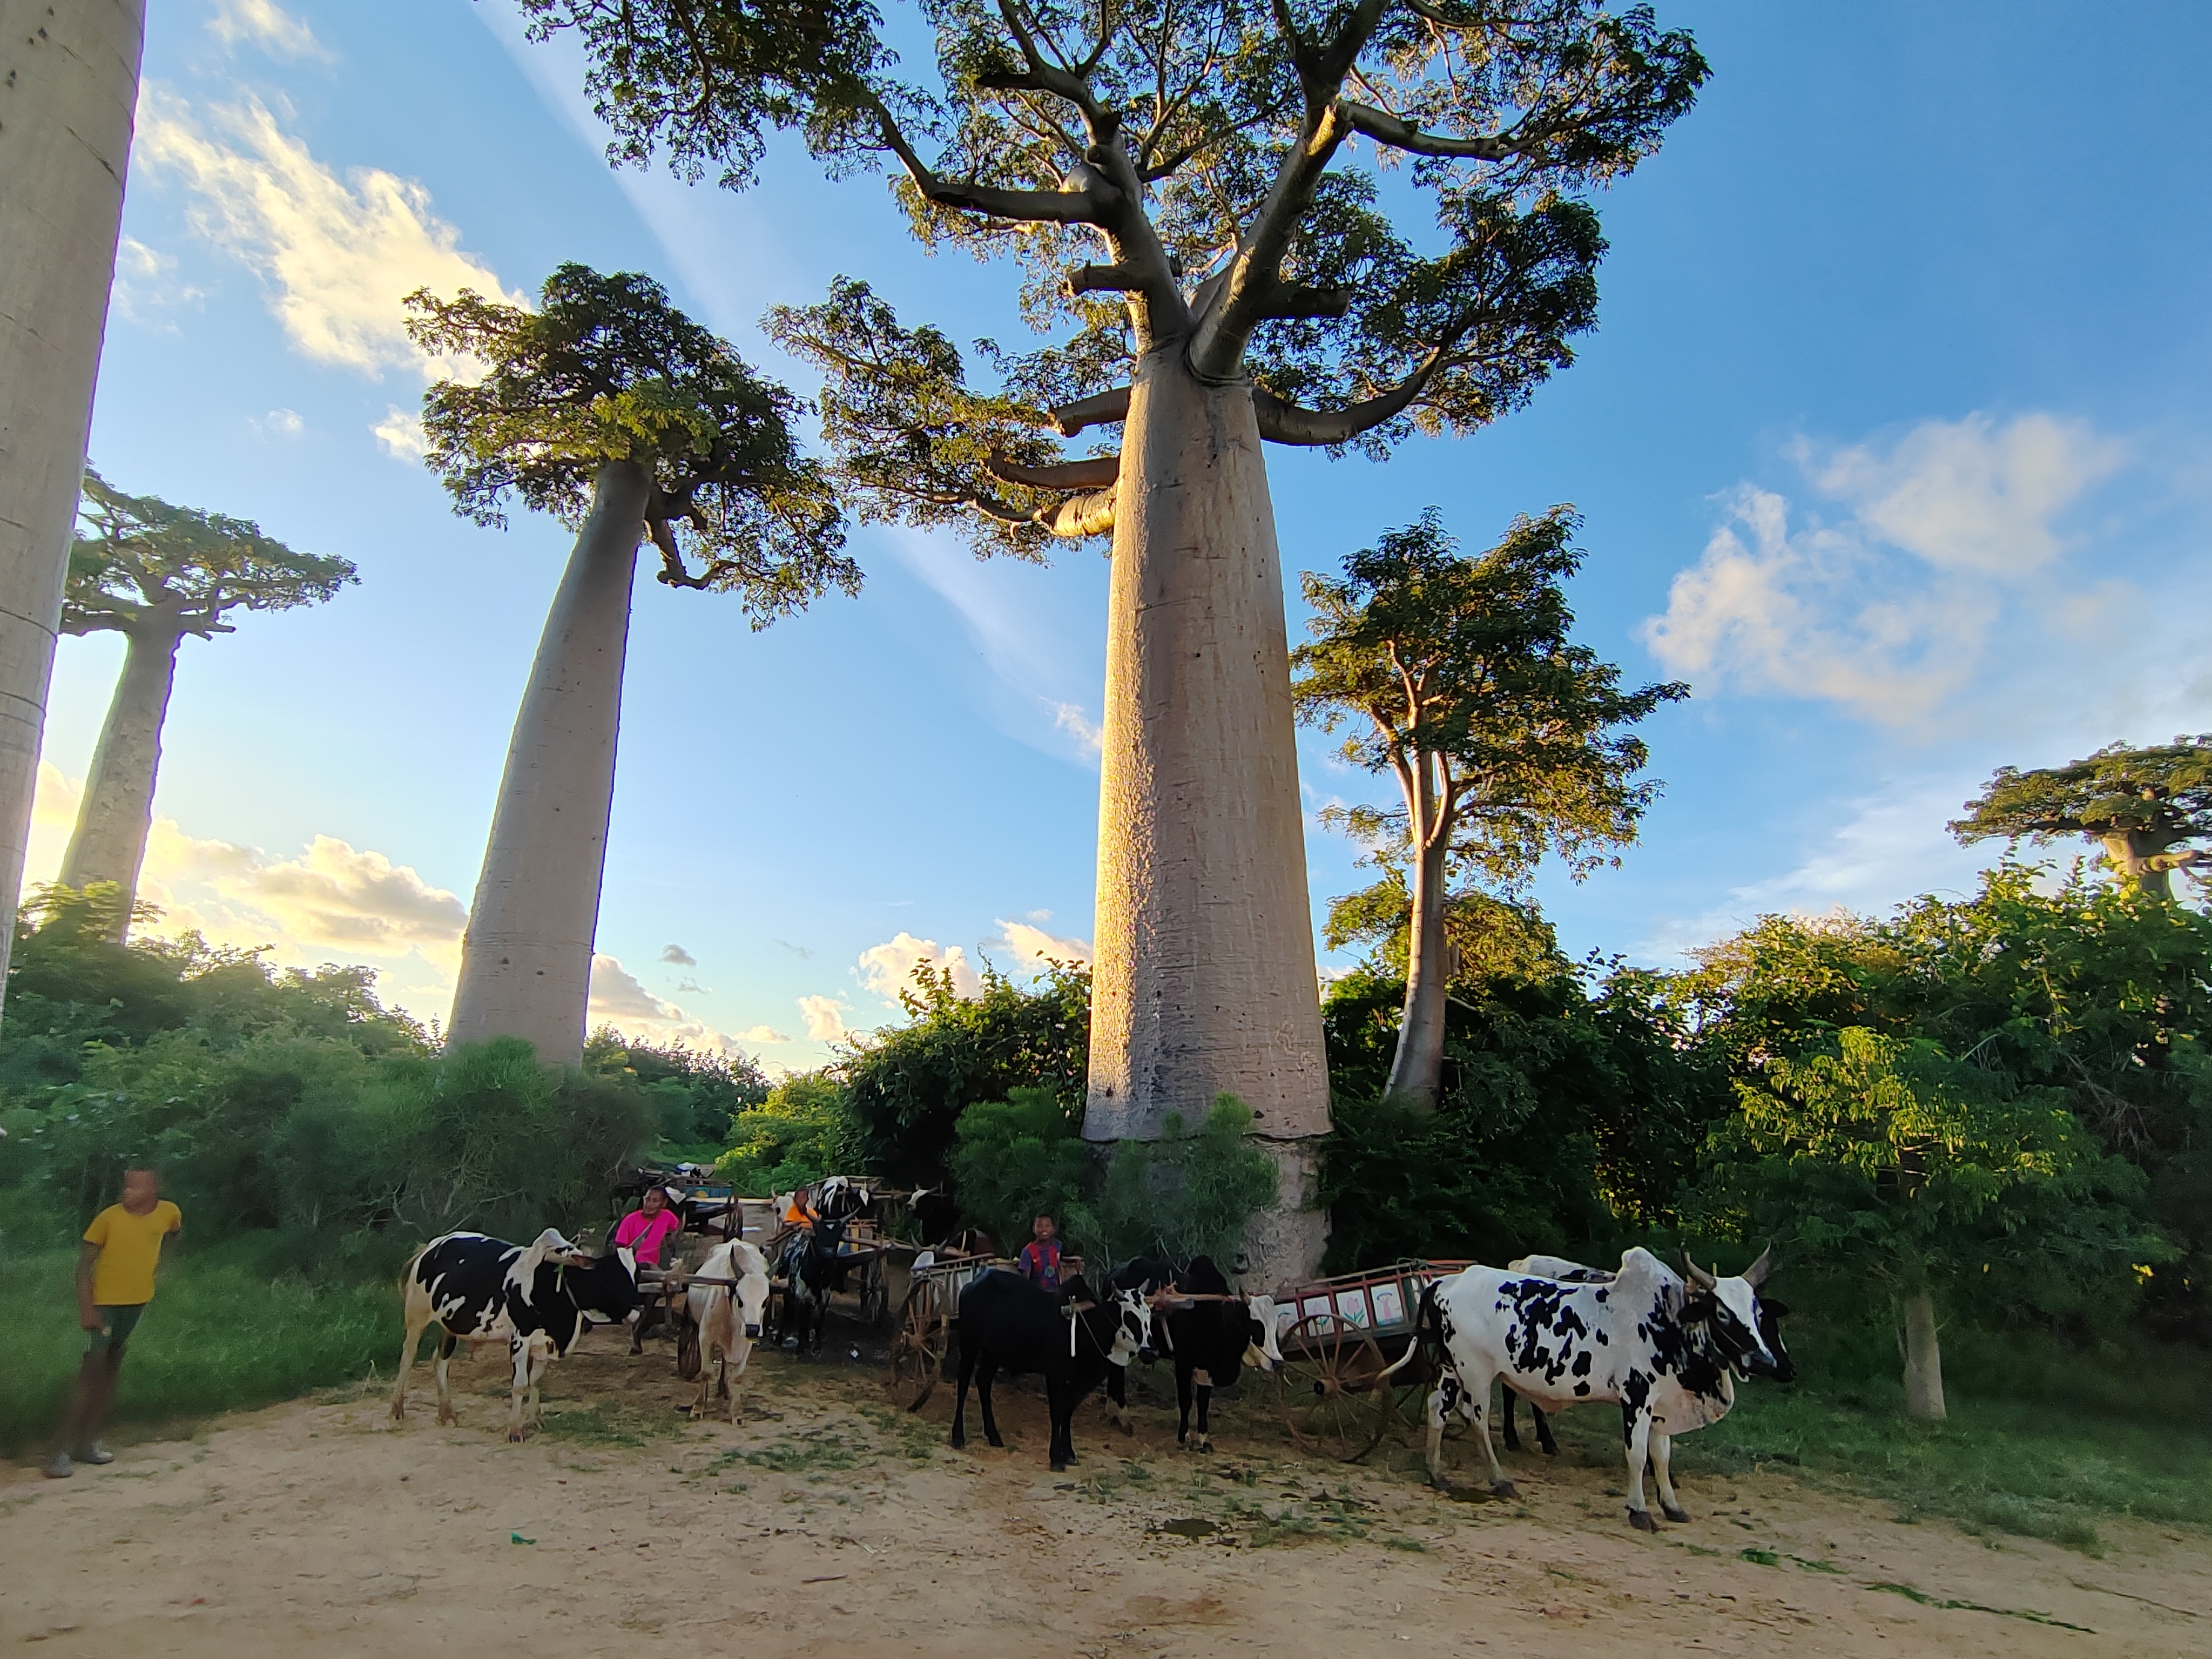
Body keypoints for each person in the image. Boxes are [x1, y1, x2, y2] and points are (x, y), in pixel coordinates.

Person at [48, 1166, 183, 1479]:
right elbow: (83, 1268)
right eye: (126, 1187)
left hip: (136, 1303)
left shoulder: (168, 1212)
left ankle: (86, 1443)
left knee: (111, 1368)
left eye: (135, 1187)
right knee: (92, 1370)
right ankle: (58, 1450)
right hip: (104, 1306)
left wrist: (162, 1264)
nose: (127, 1192)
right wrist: (87, 1309)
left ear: (153, 1190)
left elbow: (174, 1232)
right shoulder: (108, 1219)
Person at [613, 1185, 686, 1354]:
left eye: (655, 1201)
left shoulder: (667, 1217)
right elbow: (620, 1248)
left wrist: (672, 1239)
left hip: (653, 1273)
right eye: (647, 1199)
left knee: (652, 1295)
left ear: (664, 1203)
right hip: (632, 1268)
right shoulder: (630, 1220)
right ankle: (638, 1330)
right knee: (649, 1271)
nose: (649, 1204)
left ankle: (638, 1333)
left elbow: (676, 1228)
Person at [1015, 1213, 1064, 1293]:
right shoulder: (1028, 1251)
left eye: (1047, 1226)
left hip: (1056, 1293)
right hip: (1037, 1294)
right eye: (1040, 1226)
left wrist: (1075, 1264)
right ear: (1034, 1229)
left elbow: (1060, 1263)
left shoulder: (1057, 1245)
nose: (1044, 1229)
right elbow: (1025, 1281)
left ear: (1053, 1229)